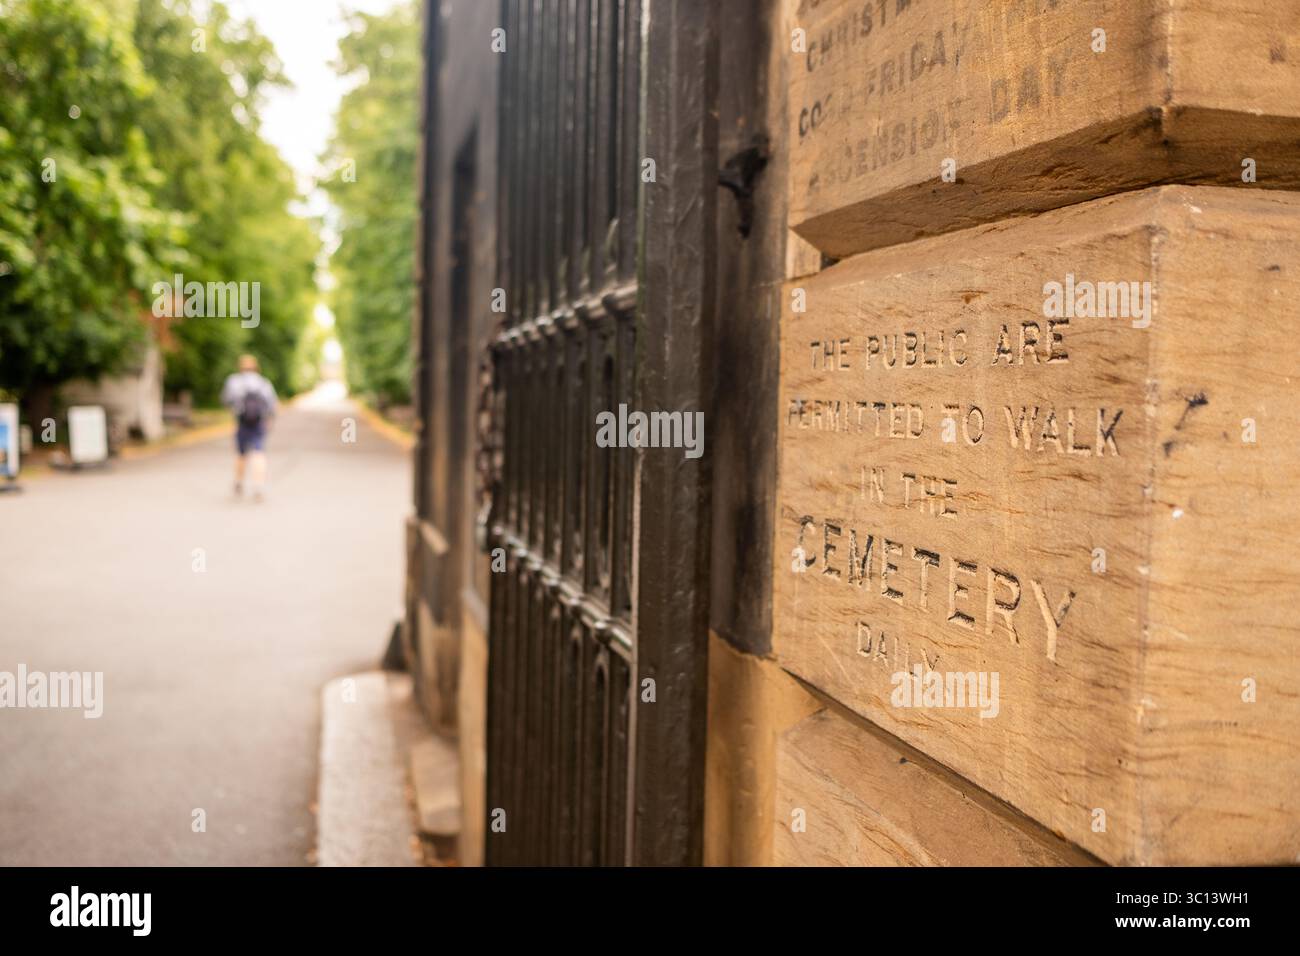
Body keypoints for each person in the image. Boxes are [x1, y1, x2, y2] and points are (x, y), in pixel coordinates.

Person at [220, 355, 278, 500]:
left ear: (240, 367)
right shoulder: (263, 383)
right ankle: (258, 486)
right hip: (259, 422)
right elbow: (272, 404)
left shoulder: (234, 381)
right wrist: (270, 419)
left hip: (242, 422)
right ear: (256, 367)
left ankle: (239, 482)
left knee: (241, 453)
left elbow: (226, 400)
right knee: (259, 452)